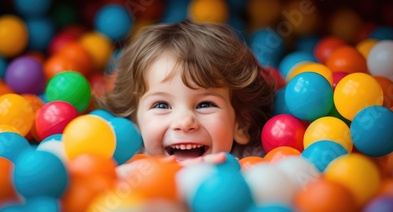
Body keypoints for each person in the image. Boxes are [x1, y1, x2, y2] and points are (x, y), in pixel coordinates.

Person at [97, 20, 275, 163]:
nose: (184, 122)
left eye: (205, 104)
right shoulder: (130, 164)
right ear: (135, 123)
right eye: (161, 105)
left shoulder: (252, 163)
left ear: (241, 124)